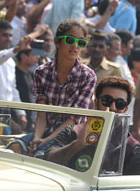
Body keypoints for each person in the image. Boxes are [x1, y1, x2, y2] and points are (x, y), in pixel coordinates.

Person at [7, 19, 97, 157]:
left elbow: (73, 119)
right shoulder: (41, 72)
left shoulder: (88, 76)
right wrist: (37, 138)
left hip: (70, 136)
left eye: (81, 42)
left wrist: (46, 140)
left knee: (41, 156)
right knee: (13, 148)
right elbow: (41, 113)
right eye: (70, 40)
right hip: (44, 131)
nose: (75, 45)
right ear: (57, 41)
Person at [45, 76, 140, 175]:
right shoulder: (72, 132)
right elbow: (48, 161)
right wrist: (77, 145)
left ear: (125, 109)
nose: (112, 107)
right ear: (96, 103)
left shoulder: (132, 148)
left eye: (120, 103)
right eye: (106, 100)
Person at [15, 48, 40, 132]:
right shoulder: (13, 74)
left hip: (30, 119)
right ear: (23, 56)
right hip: (17, 119)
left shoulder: (31, 74)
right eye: (34, 54)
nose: (38, 57)